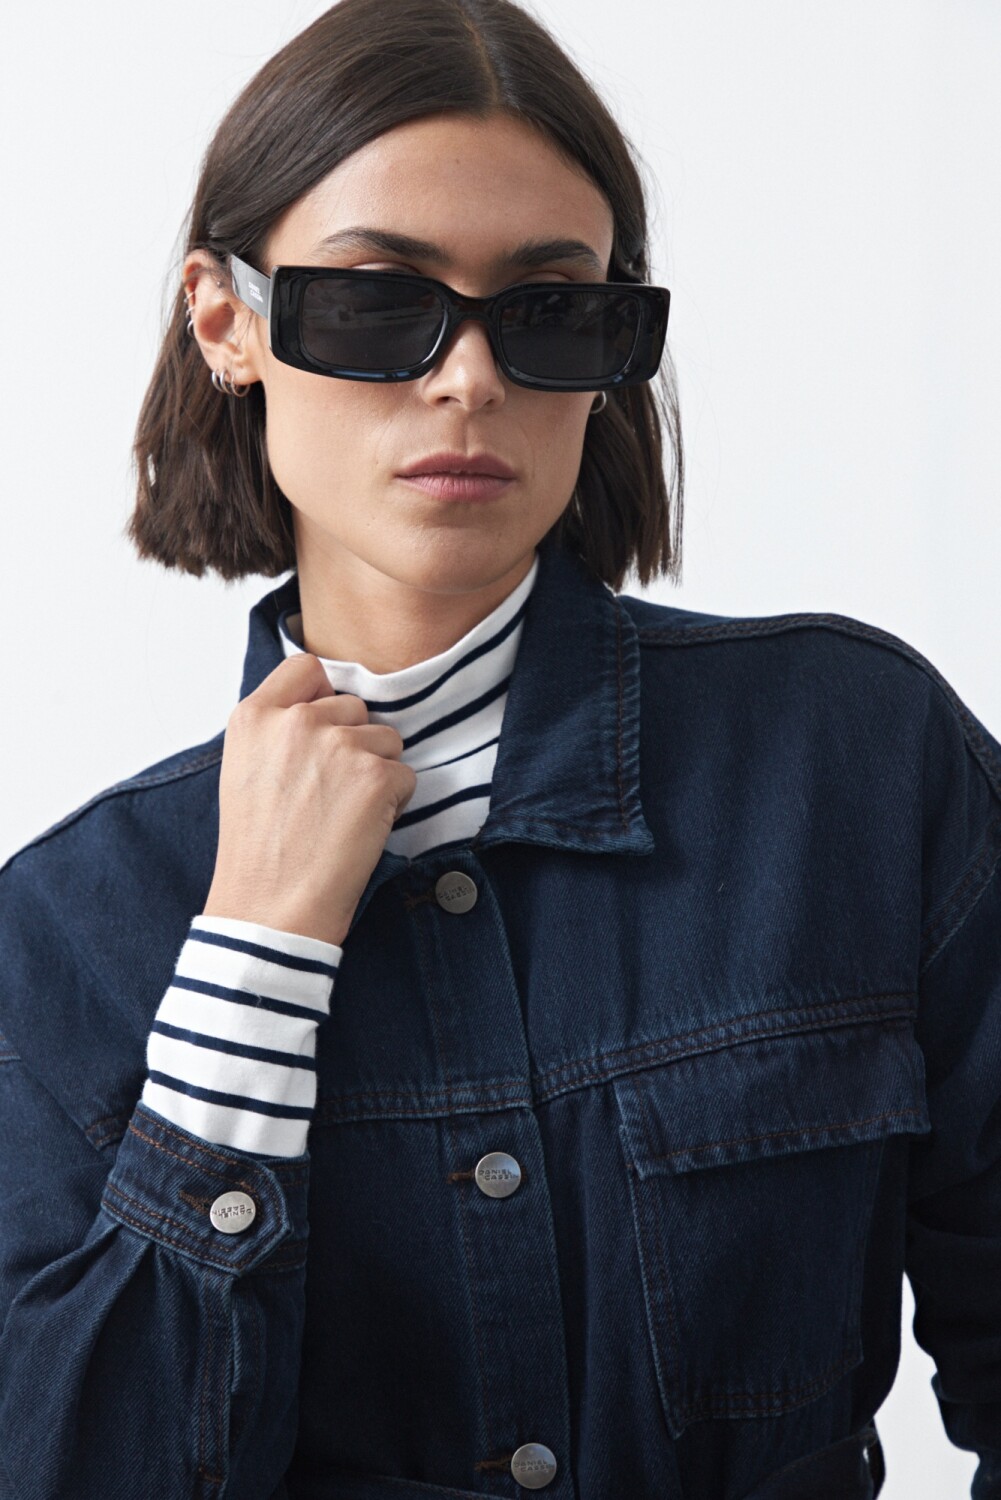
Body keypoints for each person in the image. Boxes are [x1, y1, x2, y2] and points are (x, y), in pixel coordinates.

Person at [0, 0, 998, 1496]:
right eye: (374, 302)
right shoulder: (65, 932)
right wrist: (254, 952)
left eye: (549, 313)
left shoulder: (855, 760)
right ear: (226, 321)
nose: (469, 380)